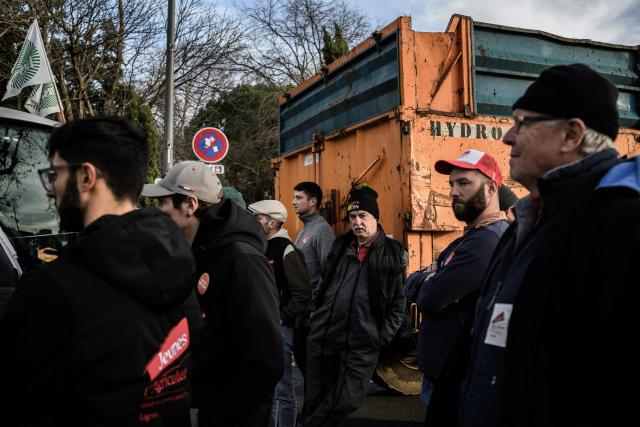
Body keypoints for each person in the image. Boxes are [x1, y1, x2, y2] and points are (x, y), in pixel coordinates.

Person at [460, 64, 640, 427]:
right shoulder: (527, 220)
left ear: (571, 134)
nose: (508, 137)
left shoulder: (622, 224)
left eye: (521, 123)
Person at [0, 117, 201, 426]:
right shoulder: (179, 265)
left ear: (86, 177)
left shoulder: (51, 290)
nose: (51, 190)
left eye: (54, 174)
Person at [142, 161, 283, 427]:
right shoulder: (202, 250)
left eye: (164, 203)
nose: (158, 212)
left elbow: (267, 360)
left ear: (190, 205)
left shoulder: (241, 259)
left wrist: (225, 410)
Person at [403, 149, 508, 419]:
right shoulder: (469, 239)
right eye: (451, 184)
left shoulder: (487, 242)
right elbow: (413, 282)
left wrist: (430, 276)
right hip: (444, 373)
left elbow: (428, 299)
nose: (452, 192)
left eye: (464, 183)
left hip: (457, 376)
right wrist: (428, 276)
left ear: (491, 188)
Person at [301, 184, 407, 426]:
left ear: (375, 218)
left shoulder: (392, 251)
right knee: (316, 399)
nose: (357, 222)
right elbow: (324, 285)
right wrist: (314, 315)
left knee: (348, 399)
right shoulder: (340, 246)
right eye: (352, 217)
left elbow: (397, 304)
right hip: (325, 337)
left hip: (362, 343)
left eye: (363, 216)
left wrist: (380, 338)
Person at [248, 199, 312, 427]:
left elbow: (302, 294)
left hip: (281, 329)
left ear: (272, 223)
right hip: (264, 327)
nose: (254, 222)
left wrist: (280, 317)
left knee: (282, 389)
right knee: (268, 389)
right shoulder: (260, 246)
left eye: (259, 218)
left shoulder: (287, 250)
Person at [292, 181, 335, 377]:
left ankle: (316, 407)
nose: (293, 202)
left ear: (313, 201)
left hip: (312, 314)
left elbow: (329, 272)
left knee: (313, 368)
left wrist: (314, 309)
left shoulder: (322, 230)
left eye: (298, 198)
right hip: (302, 311)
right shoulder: (305, 229)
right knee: (304, 362)